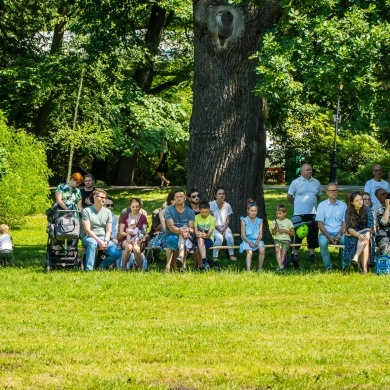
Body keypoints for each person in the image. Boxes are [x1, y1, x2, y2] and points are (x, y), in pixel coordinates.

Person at [287, 163, 321, 265]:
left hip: (313, 214)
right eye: (307, 170)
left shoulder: (316, 182)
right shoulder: (295, 182)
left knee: (313, 234)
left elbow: (318, 196)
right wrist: (297, 205)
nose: (309, 171)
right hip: (299, 214)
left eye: (310, 170)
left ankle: (311, 255)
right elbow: (289, 197)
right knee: (298, 234)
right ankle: (295, 254)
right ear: (302, 172)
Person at [82, 189, 121, 271]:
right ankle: (89, 270)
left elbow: (109, 230)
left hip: (104, 238)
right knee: (92, 243)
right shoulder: (87, 211)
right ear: (95, 197)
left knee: (116, 253)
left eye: (105, 197)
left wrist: (106, 241)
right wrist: (99, 241)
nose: (104, 199)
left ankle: (102, 267)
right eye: (102, 197)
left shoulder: (108, 212)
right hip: (90, 237)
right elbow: (87, 229)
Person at [315, 183, 347, 271]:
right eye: (331, 191)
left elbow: (345, 223)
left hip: (339, 233)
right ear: (327, 192)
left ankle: (344, 265)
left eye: (335, 190)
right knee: (322, 242)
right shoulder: (322, 205)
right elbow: (320, 224)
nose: (333, 192)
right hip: (325, 233)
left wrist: (339, 235)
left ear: (338, 192)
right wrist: (329, 237)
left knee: (347, 241)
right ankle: (328, 266)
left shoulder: (343, 205)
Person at [164, 189, 195, 271]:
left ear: (185, 198)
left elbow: (192, 229)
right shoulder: (168, 210)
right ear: (174, 198)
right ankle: (182, 266)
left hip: (186, 236)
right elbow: (171, 228)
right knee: (181, 237)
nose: (179, 198)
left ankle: (179, 261)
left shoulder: (190, 212)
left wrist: (186, 231)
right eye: (177, 197)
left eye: (181, 196)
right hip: (171, 235)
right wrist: (182, 231)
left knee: (184, 237)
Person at [343, 192, 374, 273]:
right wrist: (357, 234)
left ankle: (356, 257)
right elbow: (349, 228)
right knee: (365, 239)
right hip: (352, 236)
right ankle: (364, 270)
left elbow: (370, 228)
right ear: (352, 203)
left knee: (366, 236)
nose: (360, 202)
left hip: (364, 235)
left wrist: (358, 233)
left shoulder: (367, 210)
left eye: (361, 199)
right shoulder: (348, 211)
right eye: (357, 201)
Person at [118, 198, 148, 271]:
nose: (135, 208)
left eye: (137, 207)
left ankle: (141, 269)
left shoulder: (143, 217)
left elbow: (144, 231)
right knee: (129, 247)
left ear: (140, 207)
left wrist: (140, 239)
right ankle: (123, 268)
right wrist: (128, 233)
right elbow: (121, 232)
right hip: (126, 238)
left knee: (136, 249)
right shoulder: (125, 216)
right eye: (133, 207)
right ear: (130, 206)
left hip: (138, 239)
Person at [209, 187, 237, 261]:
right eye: (219, 194)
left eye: (223, 194)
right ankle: (215, 256)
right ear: (216, 196)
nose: (222, 195)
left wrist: (224, 229)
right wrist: (219, 230)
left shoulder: (227, 206)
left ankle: (231, 255)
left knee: (229, 236)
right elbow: (211, 220)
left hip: (224, 226)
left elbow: (227, 220)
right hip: (214, 227)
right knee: (219, 238)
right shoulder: (211, 205)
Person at [239, 200, 266, 272]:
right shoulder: (244, 220)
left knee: (262, 250)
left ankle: (260, 268)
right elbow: (243, 235)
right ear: (248, 211)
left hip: (257, 239)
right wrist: (249, 242)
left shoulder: (260, 221)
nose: (254, 212)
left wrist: (257, 241)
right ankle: (248, 270)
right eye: (252, 210)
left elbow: (260, 234)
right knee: (250, 252)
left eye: (255, 211)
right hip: (247, 240)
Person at [270, 205, 294, 271]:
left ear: (285, 213)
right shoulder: (274, 221)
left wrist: (284, 230)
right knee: (277, 250)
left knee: (283, 252)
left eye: (280, 213)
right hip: (278, 239)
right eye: (277, 213)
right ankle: (280, 267)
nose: (278, 215)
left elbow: (292, 233)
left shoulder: (289, 222)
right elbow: (273, 233)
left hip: (286, 240)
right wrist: (275, 227)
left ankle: (279, 266)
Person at [194, 201, 216, 270]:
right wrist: (199, 234)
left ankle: (201, 267)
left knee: (198, 249)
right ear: (199, 210)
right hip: (198, 238)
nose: (204, 214)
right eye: (202, 212)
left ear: (209, 210)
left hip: (209, 239)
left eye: (206, 212)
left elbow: (209, 235)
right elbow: (195, 232)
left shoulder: (213, 219)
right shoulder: (196, 217)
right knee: (200, 239)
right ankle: (204, 261)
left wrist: (204, 235)